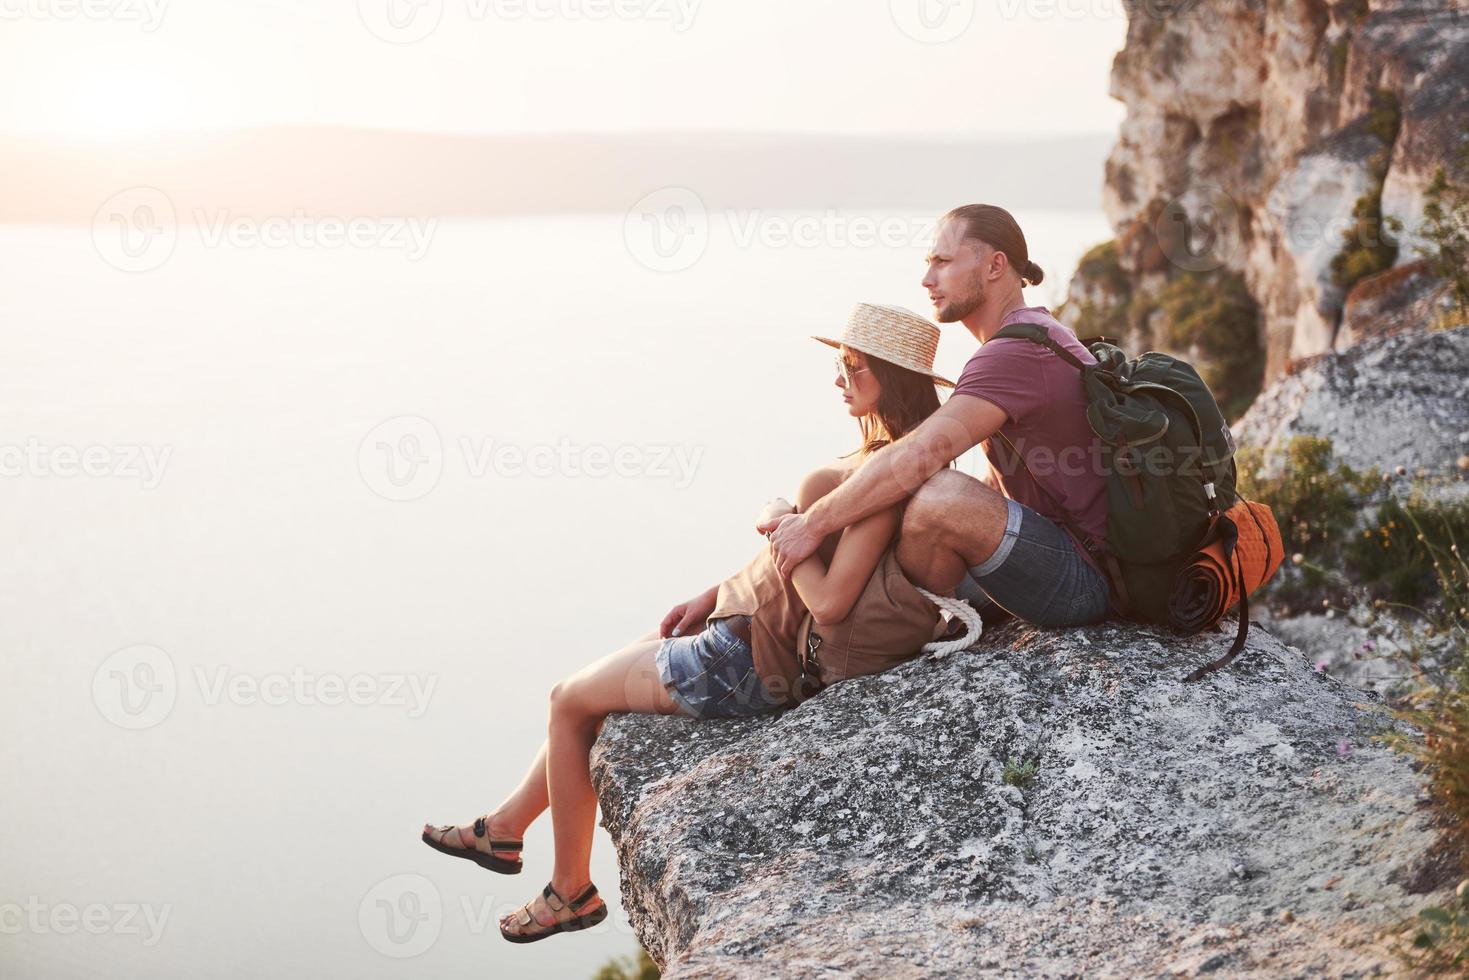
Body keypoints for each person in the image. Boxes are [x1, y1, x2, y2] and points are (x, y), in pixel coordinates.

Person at [421, 303, 957, 944]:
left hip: (740, 663)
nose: (839, 379)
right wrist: (718, 591)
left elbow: (832, 601)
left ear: (889, 379)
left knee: (568, 702)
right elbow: (800, 567)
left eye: (852, 367)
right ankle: (506, 828)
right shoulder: (892, 458)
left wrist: (778, 522)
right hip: (741, 635)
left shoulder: (883, 473)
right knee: (615, 670)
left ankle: (570, 891)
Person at [762, 204, 1117, 630]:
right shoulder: (1028, 336)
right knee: (883, 498)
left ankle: (879, 633)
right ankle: (805, 613)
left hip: (1086, 581)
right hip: (1067, 558)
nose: (927, 279)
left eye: (943, 262)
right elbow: (996, 484)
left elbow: (920, 454)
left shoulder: (1017, 352)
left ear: (995, 266)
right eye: (928, 263)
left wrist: (811, 524)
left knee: (935, 496)